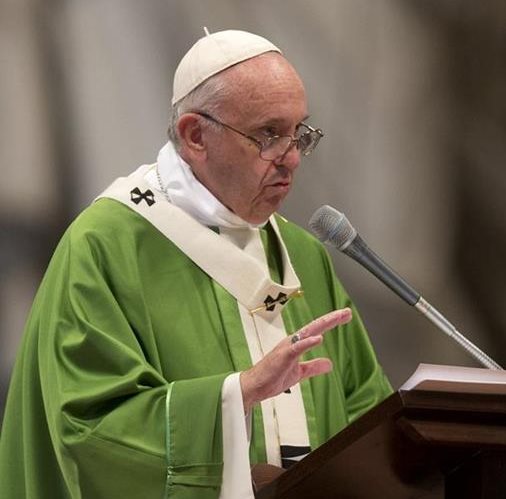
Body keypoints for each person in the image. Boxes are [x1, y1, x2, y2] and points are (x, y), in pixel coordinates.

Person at [0, 29, 392, 498]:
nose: (291, 158)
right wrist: (236, 395)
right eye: (269, 134)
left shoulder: (302, 255)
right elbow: (87, 428)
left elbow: (368, 415)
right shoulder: (107, 244)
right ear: (195, 135)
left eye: (299, 134)